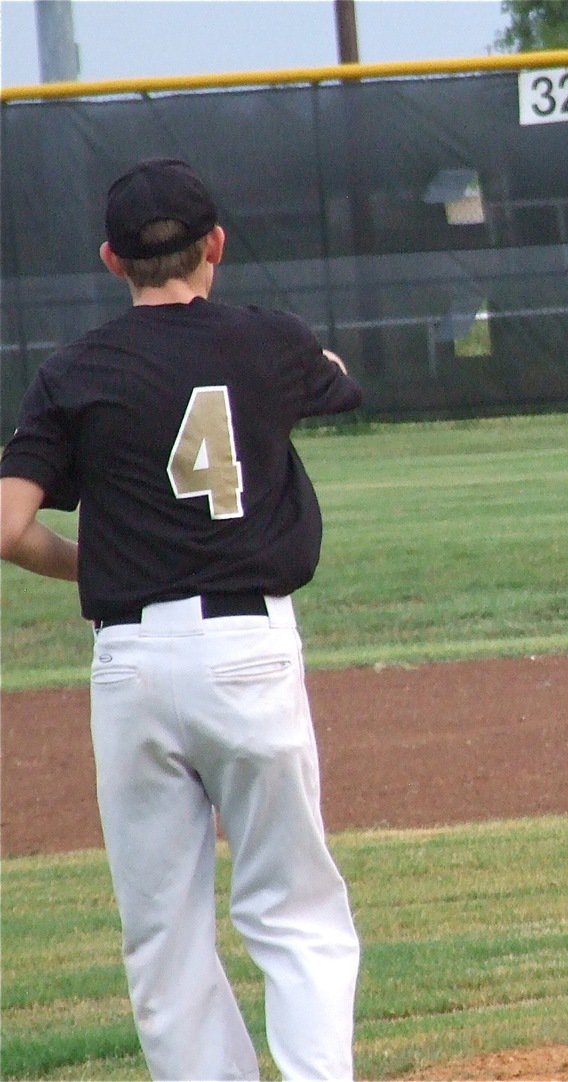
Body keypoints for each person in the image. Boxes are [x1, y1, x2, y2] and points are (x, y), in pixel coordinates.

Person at [0, 158, 363, 1078]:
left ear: (111, 259)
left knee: (162, 933)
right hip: (247, 648)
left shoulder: (75, 369)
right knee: (293, 909)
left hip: (130, 660)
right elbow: (335, 380)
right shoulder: (267, 342)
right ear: (216, 245)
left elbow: (8, 525)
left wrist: (101, 565)